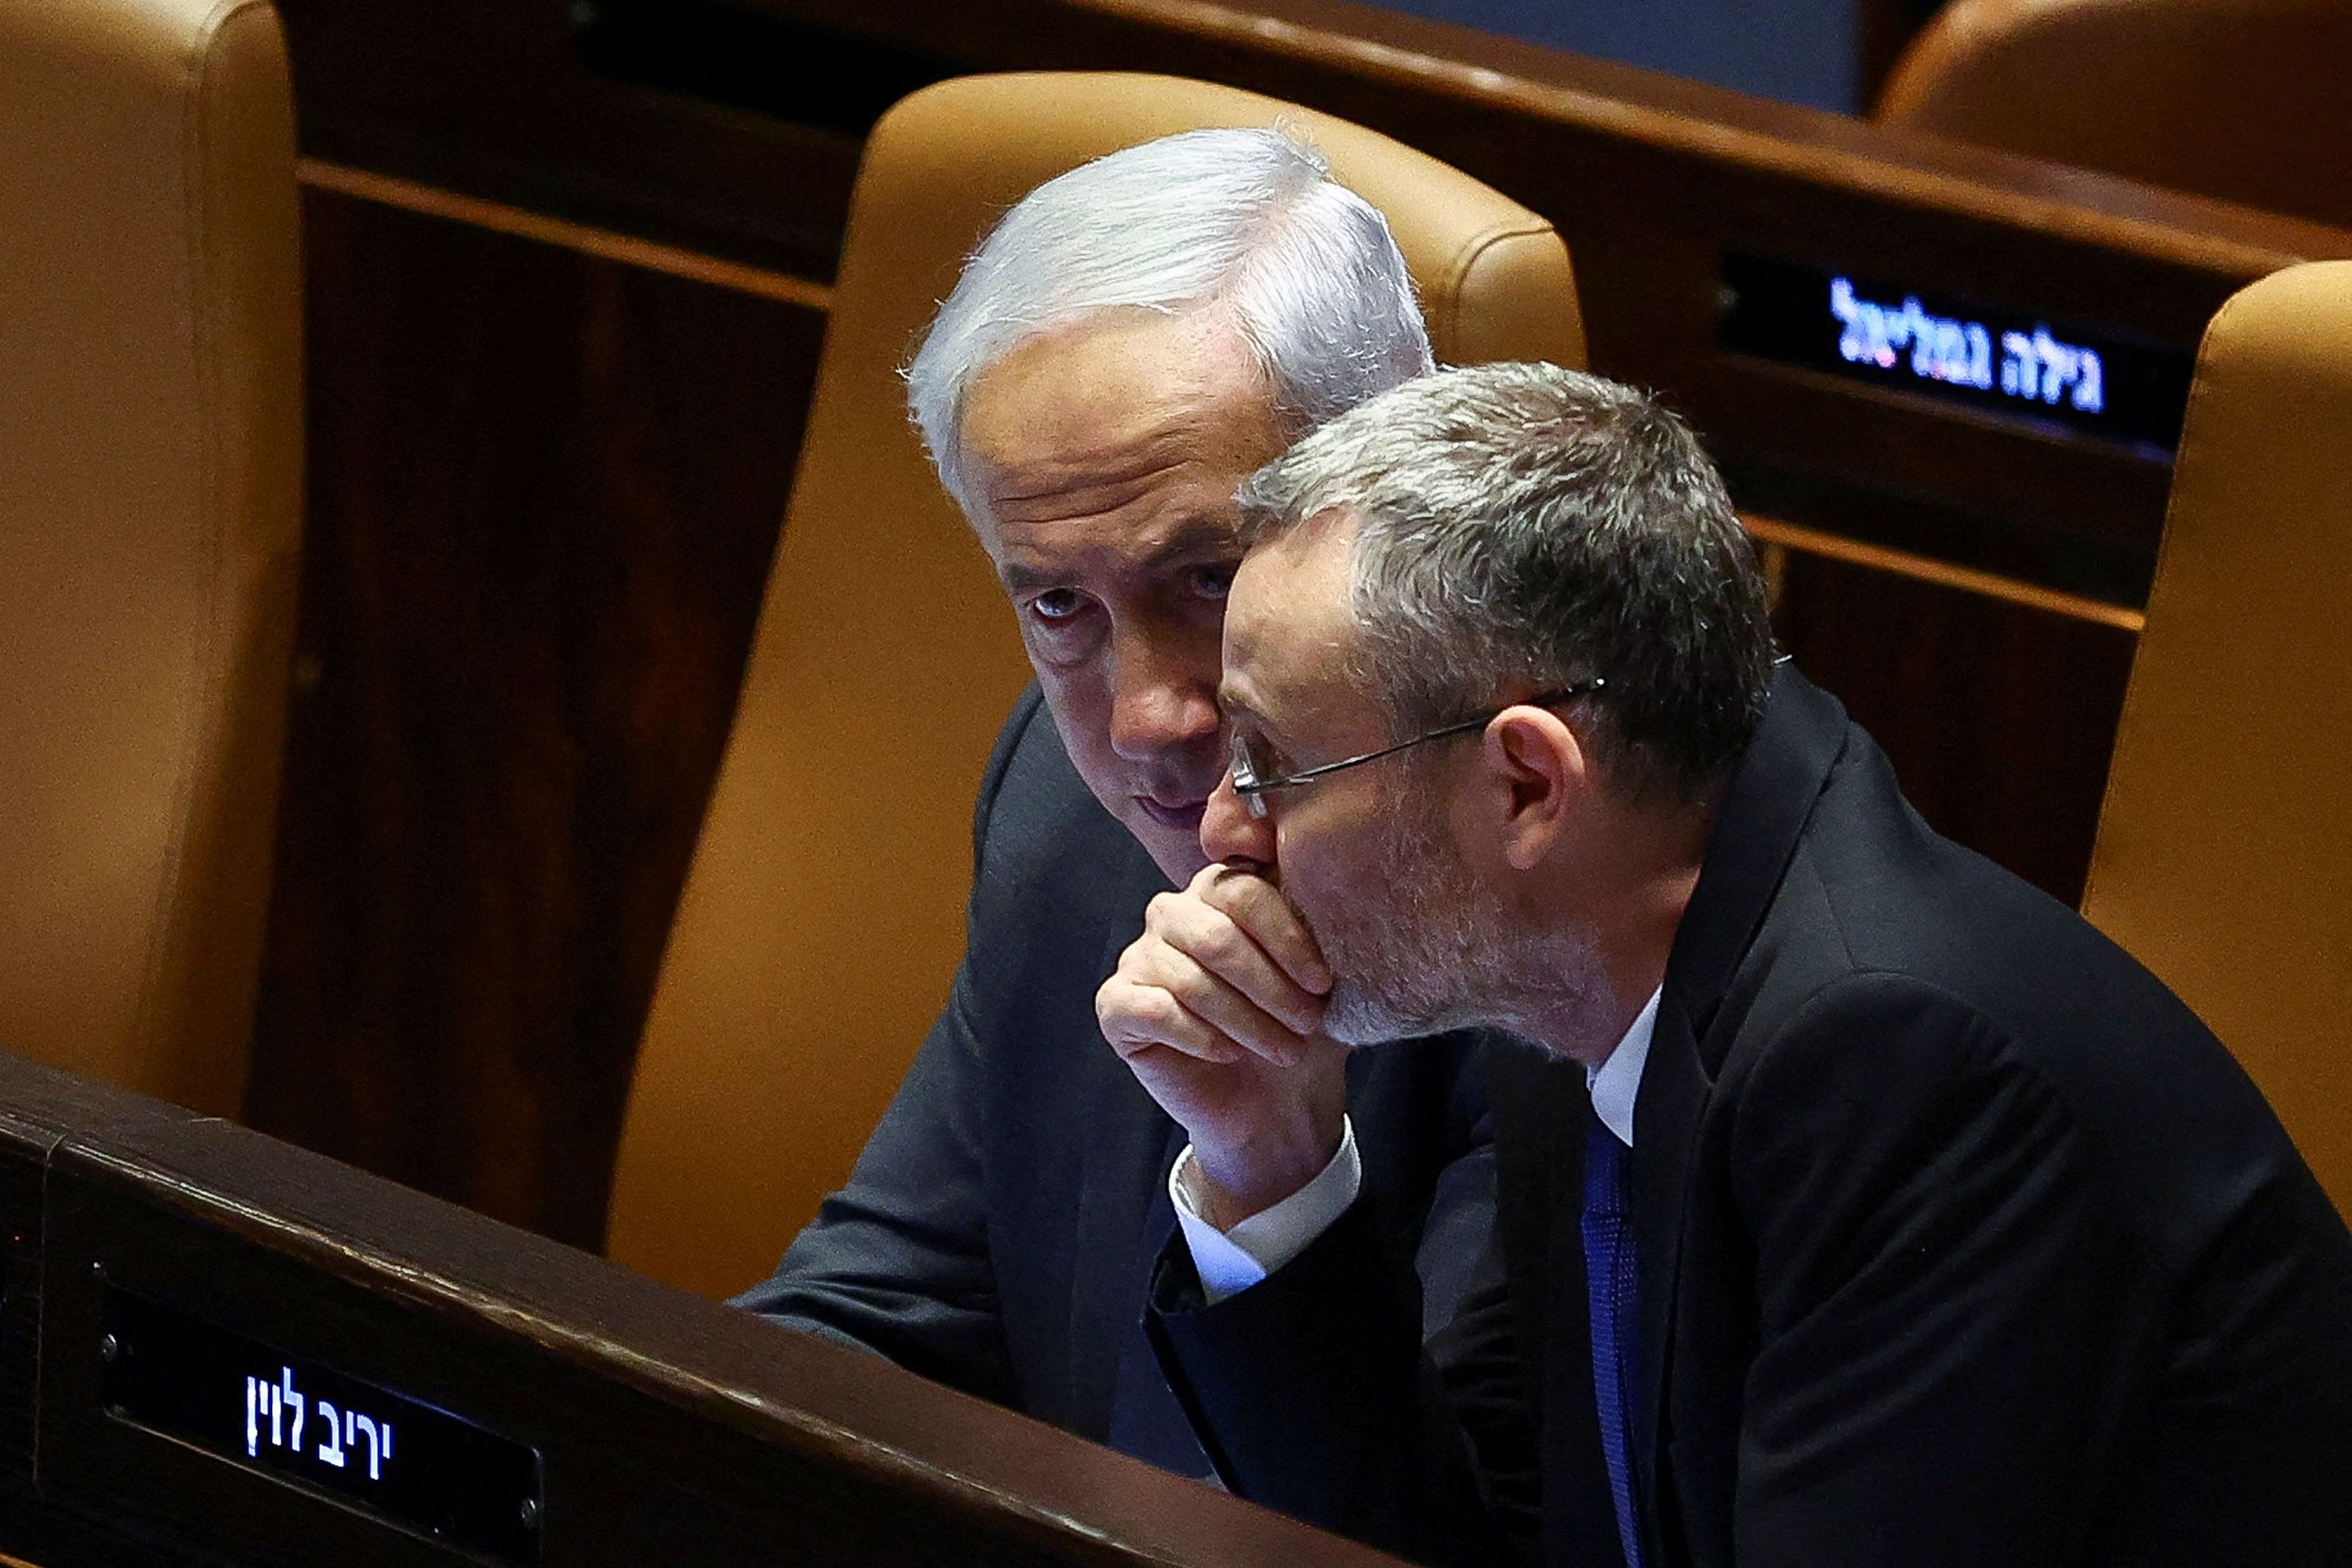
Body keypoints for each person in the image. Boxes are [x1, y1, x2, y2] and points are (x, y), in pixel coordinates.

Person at [1104, 361, 2352, 1563]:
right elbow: (1461, 1540)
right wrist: (1268, 1162)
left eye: (1272, 763)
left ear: (1529, 785)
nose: (1222, 829)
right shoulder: (1585, 978)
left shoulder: (1899, 1067)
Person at [731, 126, 1496, 1480]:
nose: (1150, 719)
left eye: (1209, 574)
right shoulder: (1065, 805)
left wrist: (1276, 1188)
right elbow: (888, 1318)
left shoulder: (1564, 913)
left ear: (1404, 495)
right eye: (1059, 605)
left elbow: (1463, 1530)